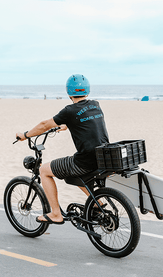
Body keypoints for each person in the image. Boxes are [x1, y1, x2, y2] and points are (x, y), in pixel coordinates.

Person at [16, 74, 109, 225]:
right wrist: (67, 125)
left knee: (44, 171)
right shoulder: (95, 105)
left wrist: (25, 135)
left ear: (68, 92)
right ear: (87, 90)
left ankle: (55, 214)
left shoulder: (69, 111)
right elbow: (86, 121)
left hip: (84, 162)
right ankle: (100, 204)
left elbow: (44, 124)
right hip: (102, 157)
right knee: (76, 174)